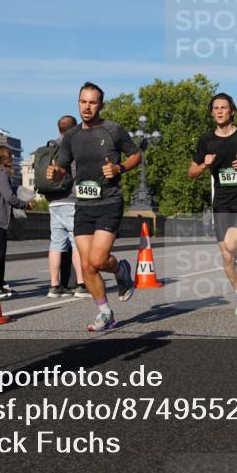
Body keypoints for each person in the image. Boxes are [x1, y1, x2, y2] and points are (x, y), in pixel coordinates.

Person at [47, 82, 140, 331]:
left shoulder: (113, 130)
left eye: (92, 102)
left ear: (101, 105)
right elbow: (63, 169)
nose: (87, 107)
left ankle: (120, 270)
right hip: (83, 205)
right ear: (78, 103)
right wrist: (55, 173)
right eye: (83, 101)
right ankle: (105, 313)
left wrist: (119, 168)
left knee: (98, 260)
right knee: (87, 265)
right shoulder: (72, 136)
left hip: (109, 201)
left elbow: (135, 155)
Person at [189, 93, 237, 316]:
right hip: (220, 202)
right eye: (216, 108)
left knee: (231, 245)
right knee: (227, 255)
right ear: (212, 112)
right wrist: (203, 165)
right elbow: (191, 172)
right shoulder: (206, 140)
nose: (219, 111)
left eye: (224, 107)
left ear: (232, 111)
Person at [42, 117, 85, 298]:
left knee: (56, 244)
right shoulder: (73, 146)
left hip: (54, 201)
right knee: (77, 244)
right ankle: (81, 285)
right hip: (71, 200)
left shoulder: (50, 146)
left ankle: (54, 285)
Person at [0, 144, 32, 298]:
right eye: (10, 156)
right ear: (6, 157)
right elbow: (9, 197)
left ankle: (0, 283)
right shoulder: (1, 173)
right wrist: (25, 204)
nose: (12, 159)